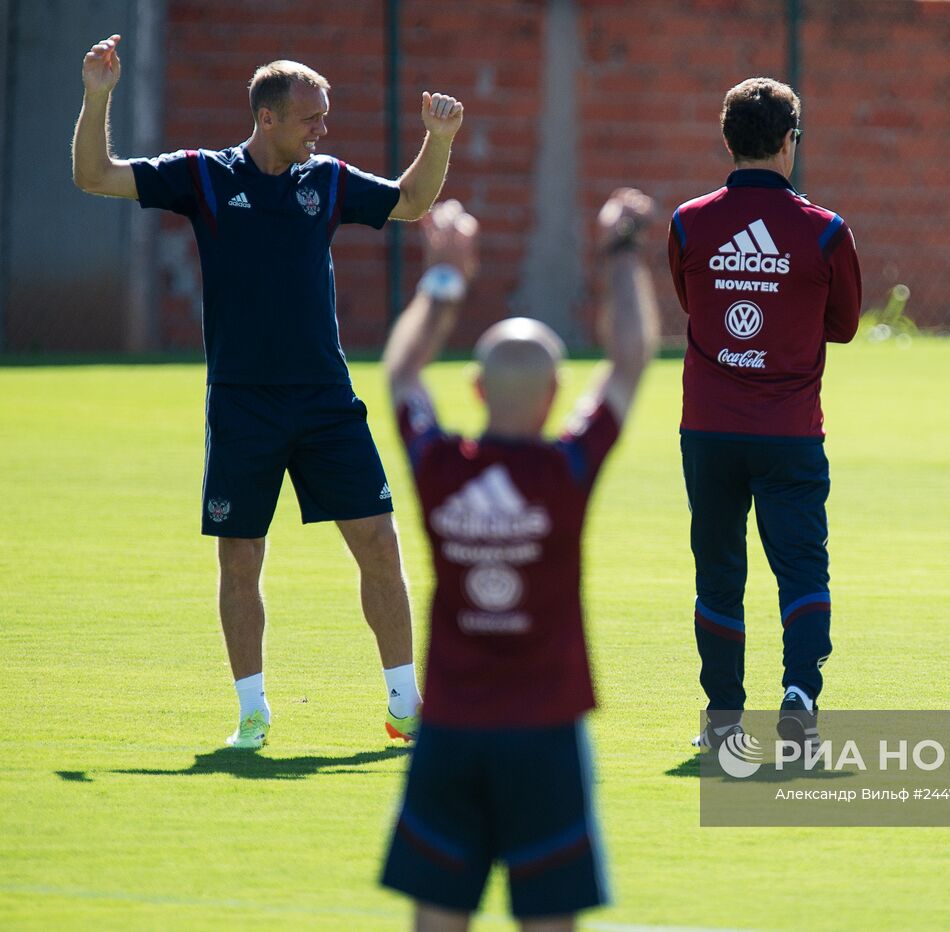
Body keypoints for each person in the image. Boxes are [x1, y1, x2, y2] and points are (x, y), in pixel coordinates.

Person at [71, 34, 467, 749]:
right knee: (241, 558)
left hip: (326, 401)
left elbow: (410, 204)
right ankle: (252, 714)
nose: (323, 129)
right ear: (267, 120)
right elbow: (96, 176)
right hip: (243, 403)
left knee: (379, 543)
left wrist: (438, 139)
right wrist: (98, 95)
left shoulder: (331, 181)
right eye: (311, 118)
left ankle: (407, 706)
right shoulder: (204, 176)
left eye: (325, 116)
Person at [379, 190, 658, 929]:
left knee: (437, 916)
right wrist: (619, 250)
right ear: (555, 396)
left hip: (451, 736)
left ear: (473, 389)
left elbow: (402, 375)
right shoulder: (565, 472)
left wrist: (446, 273)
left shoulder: (439, 466)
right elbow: (631, 361)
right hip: (545, 736)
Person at [667, 77, 862, 752]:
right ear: (789, 142)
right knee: (802, 569)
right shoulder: (827, 232)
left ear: (727, 140)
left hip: (709, 430)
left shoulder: (689, 222)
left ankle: (723, 721)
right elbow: (843, 325)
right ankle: (800, 695)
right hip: (790, 433)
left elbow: (695, 305)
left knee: (718, 571)